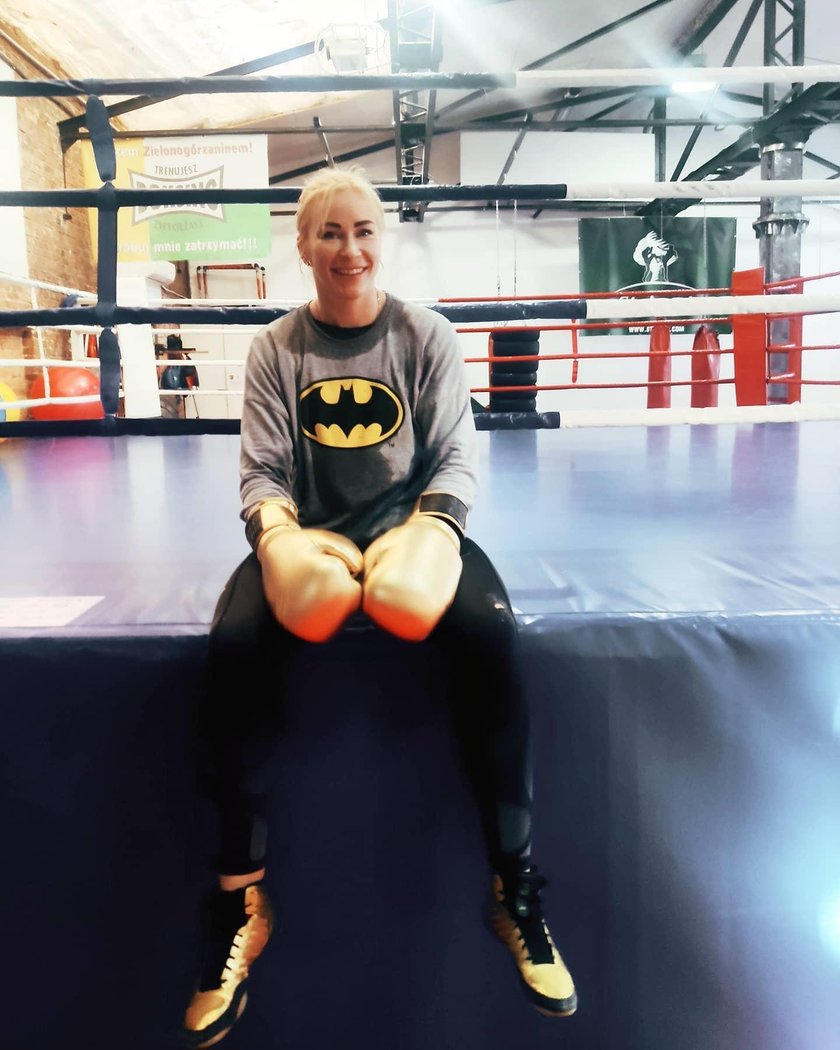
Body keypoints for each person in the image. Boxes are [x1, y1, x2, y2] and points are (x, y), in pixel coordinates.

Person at [182, 164, 577, 1048]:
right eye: (330, 232)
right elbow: (262, 471)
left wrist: (433, 530)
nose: (349, 249)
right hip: (309, 535)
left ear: (381, 237)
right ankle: (241, 901)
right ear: (303, 245)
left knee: (488, 631)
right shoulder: (278, 347)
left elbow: (455, 457)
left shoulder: (423, 334)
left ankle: (514, 886)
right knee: (236, 644)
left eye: (363, 230)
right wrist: (279, 539)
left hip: (413, 531)